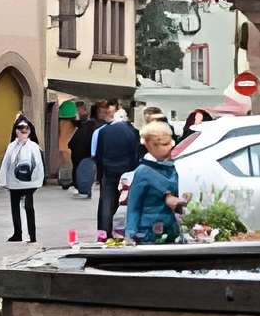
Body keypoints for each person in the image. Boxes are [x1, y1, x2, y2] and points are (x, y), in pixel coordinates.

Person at [125, 120, 186, 243]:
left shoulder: (174, 168)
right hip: (148, 234)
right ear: (150, 145)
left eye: (170, 143)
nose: (170, 147)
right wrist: (130, 235)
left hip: (171, 232)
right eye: (164, 144)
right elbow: (134, 206)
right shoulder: (142, 172)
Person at [94, 103, 142, 237]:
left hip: (109, 170)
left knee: (106, 201)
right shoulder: (132, 131)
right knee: (128, 201)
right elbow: (135, 153)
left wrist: (100, 173)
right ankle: (127, 231)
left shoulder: (104, 131)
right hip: (126, 170)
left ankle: (103, 233)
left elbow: (99, 154)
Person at [2, 115, 45, 242]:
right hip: (14, 182)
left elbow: (39, 165)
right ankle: (17, 233)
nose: (23, 130)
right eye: (20, 128)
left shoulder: (34, 146)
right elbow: (6, 163)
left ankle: (32, 235)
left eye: (26, 128)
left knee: (29, 207)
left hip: (29, 183)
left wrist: (38, 180)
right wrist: (3, 180)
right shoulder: (12, 146)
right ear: (16, 130)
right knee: (15, 207)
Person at [68, 101, 103, 197]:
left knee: (81, 170)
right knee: (85, 170)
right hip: (85, 152)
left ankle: (82, 189)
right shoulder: (93, 125)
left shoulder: (88, 125)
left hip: (81, 153)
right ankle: (84, 189)